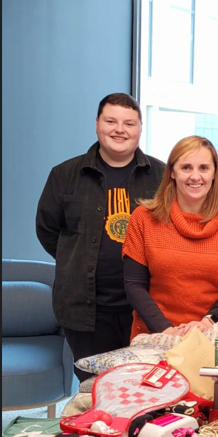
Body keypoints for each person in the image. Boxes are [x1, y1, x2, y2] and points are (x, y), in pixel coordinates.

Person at [36, 93, 165, 381]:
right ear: (97, 124)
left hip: (144, 310)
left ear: (140, 128)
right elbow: (47, 230)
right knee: (93, 390)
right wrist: (75, 259)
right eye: (111, 121)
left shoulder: (162, 176)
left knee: (143, 388)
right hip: (84, 312)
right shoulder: (65, 174)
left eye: (129, 123)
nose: (120, 129)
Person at [123, 136, 218, 338]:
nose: (195, 176)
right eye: (186, 168)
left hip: (209, 336)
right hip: (154, 336)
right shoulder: (144, 218)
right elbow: (134, 285)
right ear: (172, 172)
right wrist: (166, 330)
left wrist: (207, 322)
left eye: (203, 168)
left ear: (214, 174)